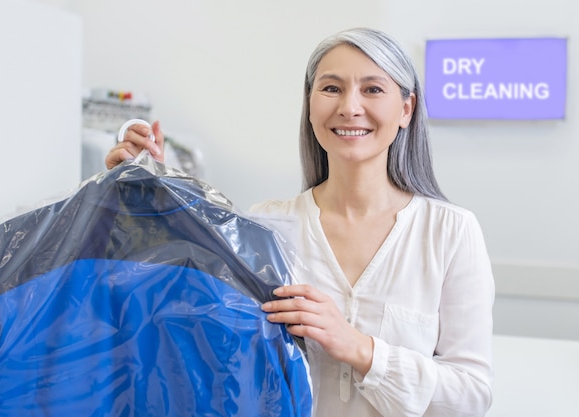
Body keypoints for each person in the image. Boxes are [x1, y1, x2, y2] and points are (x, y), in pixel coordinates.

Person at [105, 27, 494, 417]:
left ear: (406, 109)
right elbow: (185, 320)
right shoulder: (268, 225)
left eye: (373, 89)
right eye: (331, 88)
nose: (349, 107)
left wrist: (360, 348)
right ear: (310, 103)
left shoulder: (450, 232)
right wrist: (146, 189)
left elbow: (472, 395)